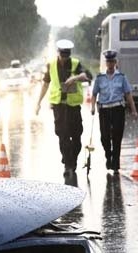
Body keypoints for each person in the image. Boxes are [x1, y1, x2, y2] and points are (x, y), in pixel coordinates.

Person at [35, 39, 92, 179]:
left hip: (73, 106)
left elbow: (88, 76)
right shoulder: (51, 65)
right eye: (63, 55)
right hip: (59, 106)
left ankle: (71, 159)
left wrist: (75, 78)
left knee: (77, 136)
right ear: (58, 53)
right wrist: (38, 102)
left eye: (67, 55)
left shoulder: (75, 63)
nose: (65, 57)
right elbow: (45, 84)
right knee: (63, 135)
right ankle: (68, 164)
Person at [90, 50, 138, 176]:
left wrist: (133, 110)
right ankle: (108, 155)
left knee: (117, 136)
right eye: (108, 62)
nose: (110, 64)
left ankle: (115, 163)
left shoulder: (121, 77)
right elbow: (94, 94)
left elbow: (128, 94)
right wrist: (92, 107)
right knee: (104, 137)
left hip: (118, 109)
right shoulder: (100, 78)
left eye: (112, 61)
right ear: (106, 63)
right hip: (104, 109)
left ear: (115, 63)